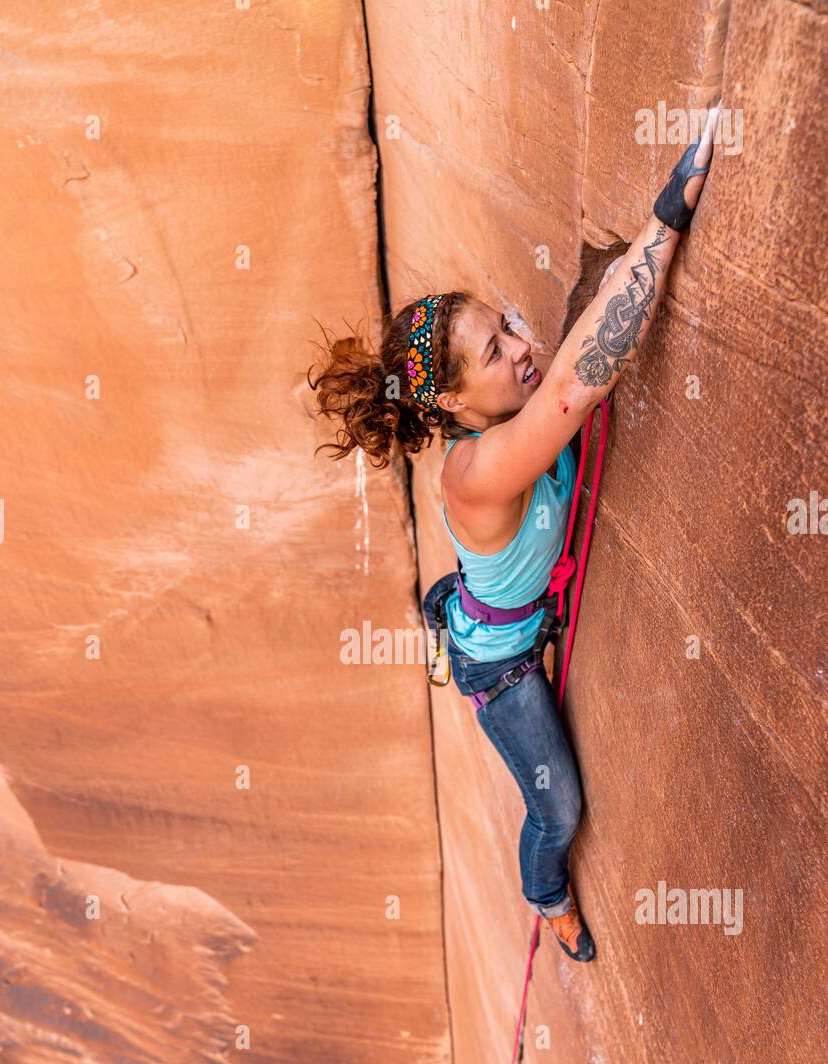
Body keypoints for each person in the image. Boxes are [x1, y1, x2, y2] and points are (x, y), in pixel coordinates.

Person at [308, 109, 721, 963]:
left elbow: (554, 377)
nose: (522, 347)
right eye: (497, 351)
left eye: (506, 325)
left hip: (496, 601)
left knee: (471, 595)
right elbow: (574, 386)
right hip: (502, 662)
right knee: (558, 806)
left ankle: (446, 608)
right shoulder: (478, 470)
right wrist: (666, 217)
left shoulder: (494, 419)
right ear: (456, 404)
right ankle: (544, 892)